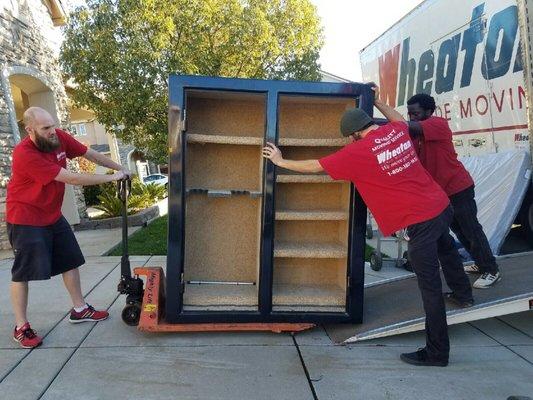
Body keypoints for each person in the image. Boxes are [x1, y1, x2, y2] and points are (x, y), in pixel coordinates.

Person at [262, 107, 473, 367]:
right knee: (449, 252)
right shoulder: (395, 131)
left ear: (353, 135)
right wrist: (379, 100)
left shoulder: (357, 152)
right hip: (441, 205)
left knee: (430, 290)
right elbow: (398, 118)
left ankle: (437, 353)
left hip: (419, 221)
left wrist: (280, 161)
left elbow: (315, 166)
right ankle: (464, 294)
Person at [6, 107, 130, 349]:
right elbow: (71, 178)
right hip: (25, 218)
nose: (52, 131)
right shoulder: (25, 153)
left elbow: (90, 154)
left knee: (70, 260)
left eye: (52, 125)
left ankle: (80, 309)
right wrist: (110, 179)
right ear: (30, 130)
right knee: (23, 272)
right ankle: (21, 327)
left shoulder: (58, 138)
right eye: (45, 128)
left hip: (52, 215)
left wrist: (119, 168)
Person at [373, 88, 501, 289]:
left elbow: (401, 126)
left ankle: (491, 270)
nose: (412, 117)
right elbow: (397, 133)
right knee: (460, 231)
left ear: (430, 111)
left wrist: (378, 102)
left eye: (416, 113)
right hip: (442, 194)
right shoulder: (415, 135)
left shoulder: (438, 125)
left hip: (458, 188)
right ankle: (479, 263)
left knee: (471, 229)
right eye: (410, 113)